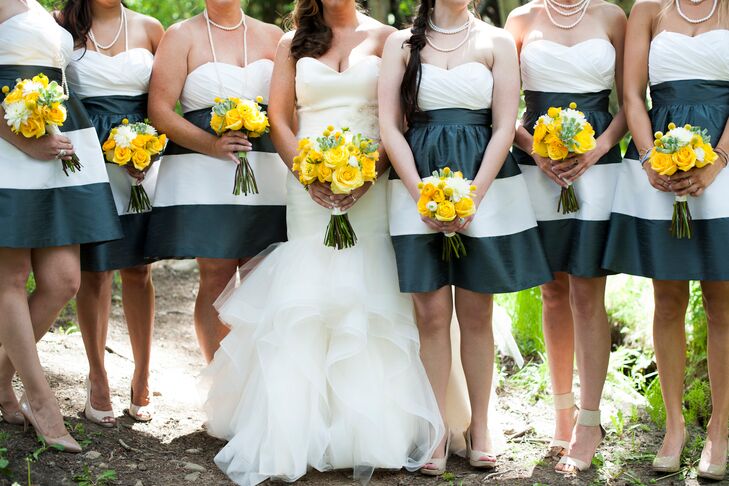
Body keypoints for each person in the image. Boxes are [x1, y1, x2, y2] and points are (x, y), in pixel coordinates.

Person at [199, 1, 443, 484]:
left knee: (369, 286)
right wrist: (308, 174)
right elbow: (280, 118)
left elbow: (400, 119)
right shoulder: (292, 43)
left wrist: (367, 175)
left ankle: (370, 432)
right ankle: (294, 428)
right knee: (307, 291)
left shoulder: (388, 38)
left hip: (371, 183)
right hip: (307, 185)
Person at [379, 0, 551, 474]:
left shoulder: (496, 42)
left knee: (477, 309)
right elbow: (390, 127)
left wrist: (473, 195)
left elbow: (502, 128)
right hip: (415, 178)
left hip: (485, 180)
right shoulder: (400, 44)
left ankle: (481, 425)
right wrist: (422, 196)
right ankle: (436, 430)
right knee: (431, 311)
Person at [604, 0, 729, 480]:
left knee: (722, 301)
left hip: (724, 163)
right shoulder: (647, 9)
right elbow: (633, 95)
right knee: (669, 296)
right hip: (661, 157)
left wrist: (718, 159)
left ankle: (719, 429)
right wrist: (649, 156)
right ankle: (674, 426)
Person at [504, 0, 627, 473]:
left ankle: (590, 422)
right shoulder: (521, 19)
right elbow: (504, 107)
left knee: (588, 291)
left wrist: (596, 150)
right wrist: (536, 148)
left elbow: (630, 100)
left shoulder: (611, 15)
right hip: (538, 166)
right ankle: (561, 414)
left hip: (597, 164)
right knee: (552, 290)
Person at [0, 0, 122, 451]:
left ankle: (0, 378)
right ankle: (41, 399)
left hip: (57, 140)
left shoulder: (36, 6)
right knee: (9, 278)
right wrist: (19, 138)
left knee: (64, 281)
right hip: (9, 145)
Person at [146, 0, 288, 362]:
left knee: (264, 276)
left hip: (267, 174)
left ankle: (257, 386)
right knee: (216, 276)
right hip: (203, 173)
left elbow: (288, 108)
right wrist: (211, 144)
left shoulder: (273, 36)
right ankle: (220, 385)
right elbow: (160, 110)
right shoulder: (180, 36)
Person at [62, 0, 164, 427]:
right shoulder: (61, 27)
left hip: (140, 161)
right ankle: (97, 375)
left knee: (139, 270)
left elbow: (164, 101)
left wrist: (150, 147)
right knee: (95, 270)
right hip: (87, 157)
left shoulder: (151, 28)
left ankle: (142, 373)